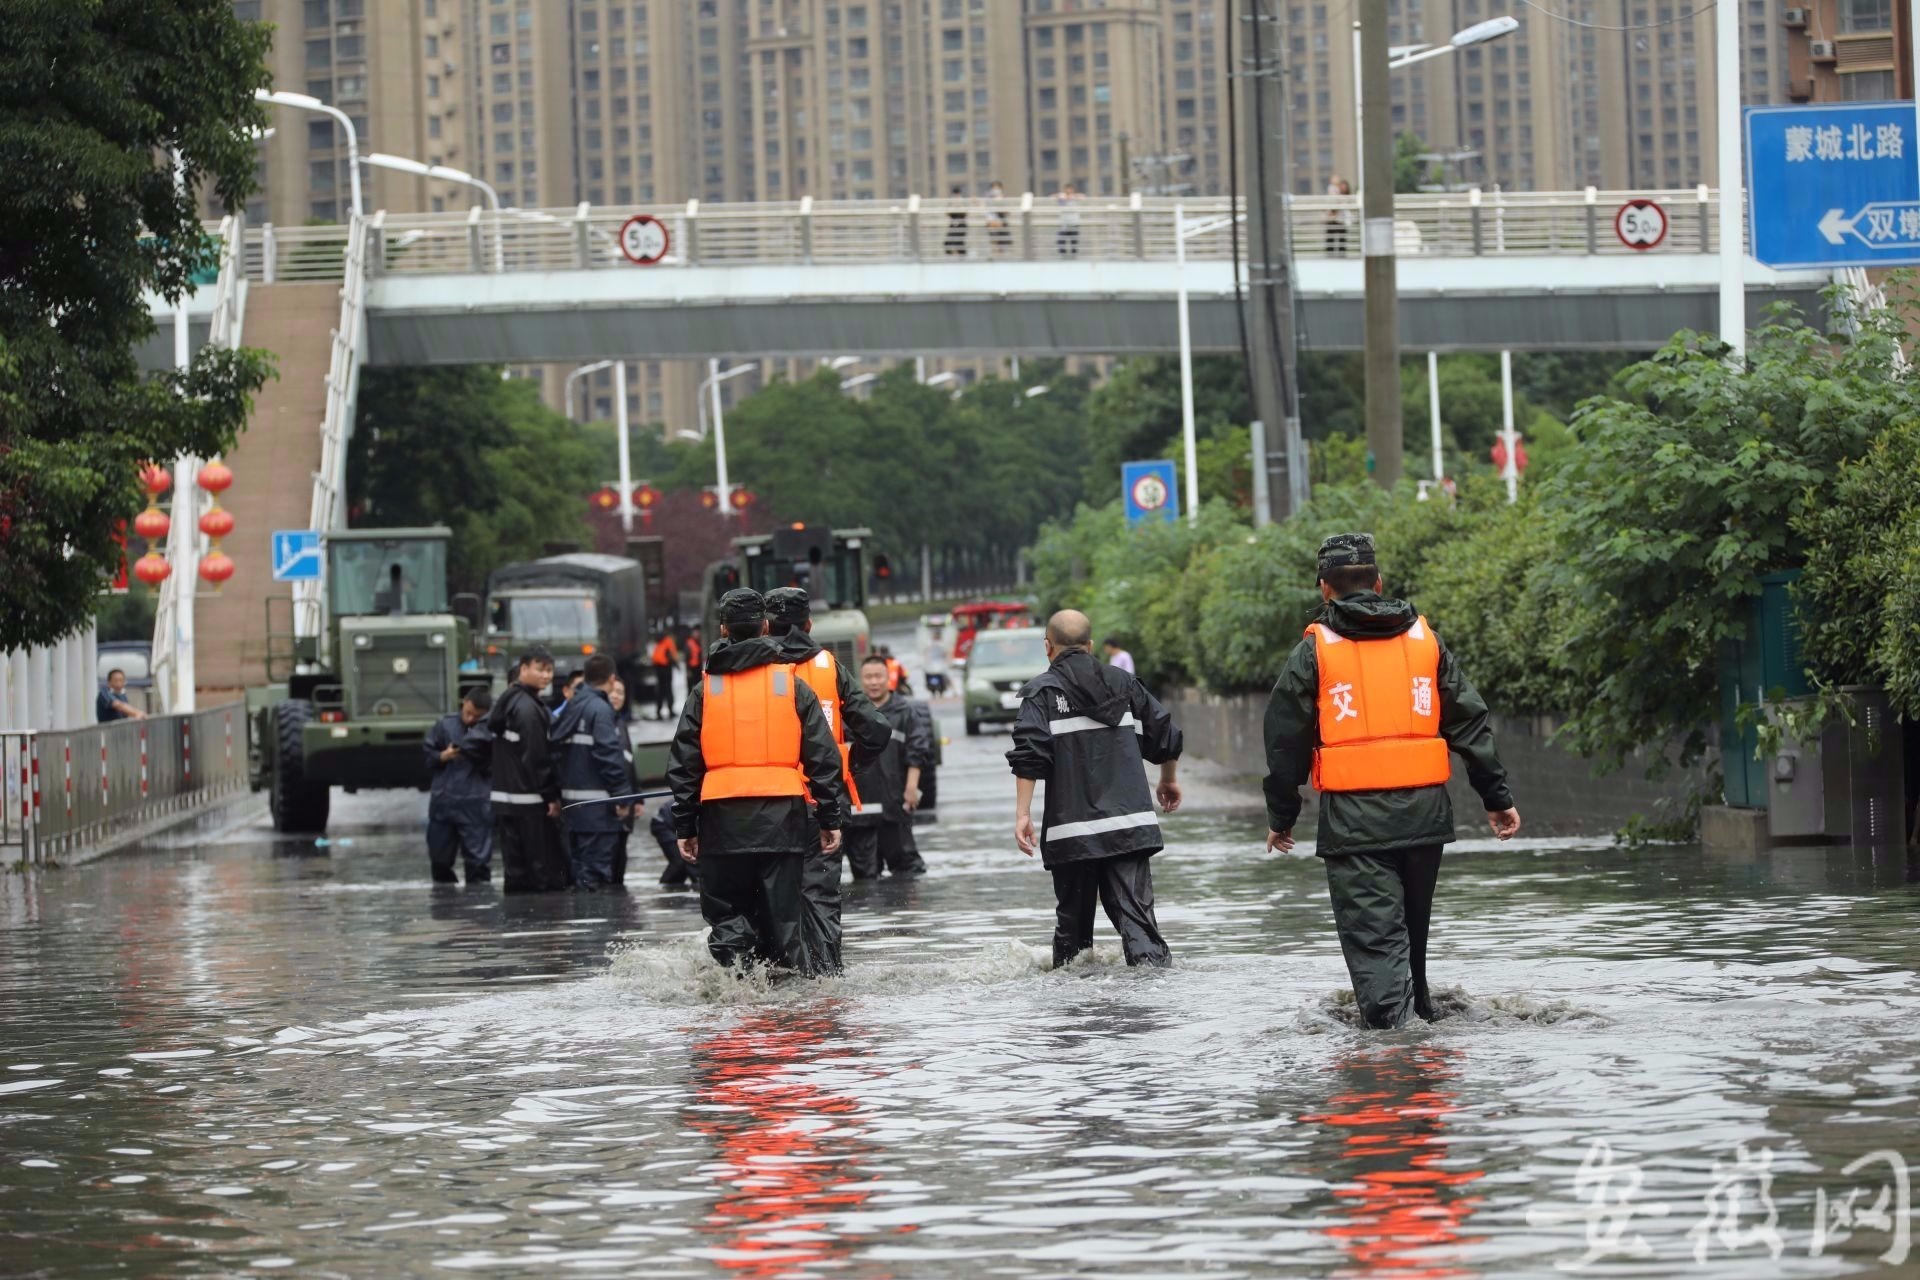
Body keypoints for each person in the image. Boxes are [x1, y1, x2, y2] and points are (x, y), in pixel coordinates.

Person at [1262, 533, 1523, 1030]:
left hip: (1356, 825)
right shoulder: (1425, 640)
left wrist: (1282, 816)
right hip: (1425, 817)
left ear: (1324, 590)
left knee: (1379, 948)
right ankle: (1423, 1046)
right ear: (1379, 583)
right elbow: (1469, 722)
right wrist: (1497, 797)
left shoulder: (1313, 653)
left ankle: (1396, 1066)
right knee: (1411, 947)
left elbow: (1284, 743)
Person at [666, 589, 848, 974]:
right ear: (766, 627)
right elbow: (823, 758)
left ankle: (735, 992)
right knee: (785, 923)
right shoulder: (791, 685)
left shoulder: (705, 690)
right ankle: (790, 1008)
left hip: (721, 822)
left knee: (728, 916)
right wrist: (831, 818)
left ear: (723, 629)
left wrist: (685, 825)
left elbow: (683, 766)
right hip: (782, 821)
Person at [1008, 610, 1184, 968]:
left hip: (1071, 834)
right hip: (1129, 828)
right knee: (1140, 928)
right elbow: (1165, 734)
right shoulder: (1126, 685)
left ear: (1048, 647)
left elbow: (1029, 753)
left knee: (1073, 943)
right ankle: (1153, 1001)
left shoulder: (1041, 694)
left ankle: (1077, 1014)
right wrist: (1167, 779)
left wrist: (1023, 813)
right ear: (1090, 645)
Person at [767, 586, 891, 973]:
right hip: (820, 804)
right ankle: (824, 982)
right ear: (808, 624)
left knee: (766, 897)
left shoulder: (749, 672)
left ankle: (774, 981)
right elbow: (875, 730)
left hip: (761, 806)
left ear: (765, 625)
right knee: (819, 897)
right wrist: (848, 765)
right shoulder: (828, 667)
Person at [487, 646, 570, 893]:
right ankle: (540, 926)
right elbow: (536, 757)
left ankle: (518, 922)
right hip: (531, 802)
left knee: (516, 872)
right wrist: (550, 796)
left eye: (549, 671)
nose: (546, 676)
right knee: (542, 873)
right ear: (523, 669)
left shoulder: (510, 699)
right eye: (540, 669)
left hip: (507, 799)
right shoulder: (528, 709)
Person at [551, 654, 636, 892]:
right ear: (611, 679)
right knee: (596, 878)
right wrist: (622, 794)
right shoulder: (600, 710)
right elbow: (608, 753)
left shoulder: (572, 706)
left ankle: (585, 922)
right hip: (598, 811)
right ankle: (597, 924)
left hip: (574, 810)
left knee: (581, 874)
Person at [845, 655, 932, 881]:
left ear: (888, 678)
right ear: (860, 680)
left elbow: (918, 751)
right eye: (868, 677)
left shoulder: (905, 712)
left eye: (878, 676)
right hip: (860, 813)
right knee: (865, 879)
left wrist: (912, 788)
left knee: (909, 873)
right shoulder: (849, 713)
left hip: (894, 806)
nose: (874, 682)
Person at [424, 688, 494, 884]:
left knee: (478, 864)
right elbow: (428, 755)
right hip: (444, 803)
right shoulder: (445, 724)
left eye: (476, 716)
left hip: (476, 804)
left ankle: (478, 906)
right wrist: (442, 756)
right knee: (439, 860)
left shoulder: (489, 729)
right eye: (468, 713)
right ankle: (446, 904)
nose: (470, 718)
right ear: (464, 703)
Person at [608, 677, 636, 888]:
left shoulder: (621, 722)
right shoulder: (604, 722)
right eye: (612, 691)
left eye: (621, 693)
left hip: (627, 801)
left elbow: (629, 762)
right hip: (613, 806)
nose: (616, 696)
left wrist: (638, 795)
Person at [650, 632, 681, 720]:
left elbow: (654, 657)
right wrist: (677, 666)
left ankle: (658, 712)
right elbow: (672, 655)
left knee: (660, 691)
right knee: (668, 690)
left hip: (658, 669)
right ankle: (670, 711)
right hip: (666, 669)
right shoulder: (668, 642)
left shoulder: (658, 643)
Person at [1326, 176, 1353, 256]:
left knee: (1342, 239)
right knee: (1331, 237)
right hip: (1334, 219)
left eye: (1345, 186)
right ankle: (1330, 255)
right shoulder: (1335, 192)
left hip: (1342, 220)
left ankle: (1342, 254)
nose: (1343, 188)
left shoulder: (1348, 197)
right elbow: (1333, 206)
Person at [922, 625, 951, 697]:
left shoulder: (931, 643)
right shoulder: (940, 644)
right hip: (935, 665)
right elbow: (945, 654)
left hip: (935, 665)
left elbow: (925, 653)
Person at [1055, 183, 1083, 255]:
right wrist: (1065, 197)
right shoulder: (1061, 197)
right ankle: (1063, 256)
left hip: (1074, 222)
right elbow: (1055, 197)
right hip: (1064, 223)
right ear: (1064, 190)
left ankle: (1074, 257)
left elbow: (1082, 197)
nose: (1069, 190)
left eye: (1070, 189)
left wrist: (1072, 197)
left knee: (1074, 242)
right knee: (1061, 241)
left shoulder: (1075, 197)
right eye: (1067, 189)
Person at [987, 180, 1012, 255]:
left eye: (998, 188)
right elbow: (988, 212)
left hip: (1002, 222)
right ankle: (995, 253)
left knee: (1003, 241)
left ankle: (1002, 253)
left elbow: (1007, 211)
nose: (996, 190)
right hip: (992, 221)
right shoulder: (989, 199)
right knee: (994, 238)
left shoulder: (1004, 199)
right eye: (994, 188)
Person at [944, 184, 968, 256]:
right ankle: (953, 255)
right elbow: (947, 212)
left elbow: (965, 213)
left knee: (959, 242)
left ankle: (961, 255)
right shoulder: (951, 202)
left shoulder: (963, 201)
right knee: (948, 242)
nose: (956, 195)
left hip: (961, 223)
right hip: (954, 223)